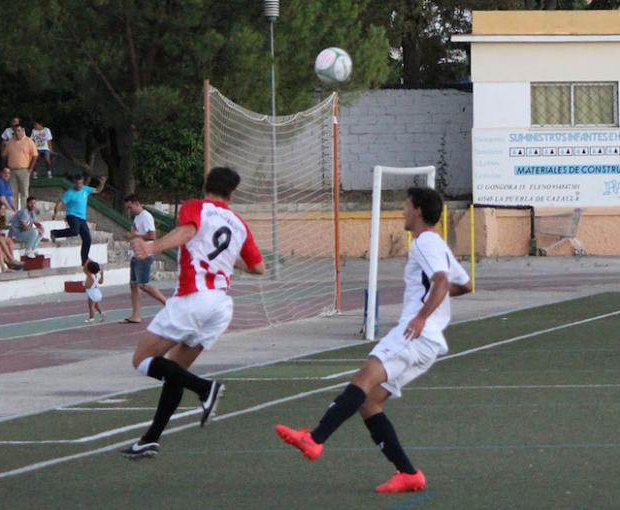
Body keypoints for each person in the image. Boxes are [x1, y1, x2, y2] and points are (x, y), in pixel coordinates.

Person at [275, 187, 472, 494]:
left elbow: (444, 282)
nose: (403, 211)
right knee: (369, 401)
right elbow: (465, 284)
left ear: (418, 210)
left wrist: (421, 315)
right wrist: (433, 301)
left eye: (406, 206)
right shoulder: (438, 245)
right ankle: (408, 473)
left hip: (414, 334)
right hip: (428, 342)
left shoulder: (424, 241)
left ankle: (314, 439)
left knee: (362, 379)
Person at [121, 166, 265, 459]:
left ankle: (205, 388)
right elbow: (258, 268)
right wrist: (228, 260)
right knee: (176, 373)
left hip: (194, 297)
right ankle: (151, 438)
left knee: (142, 359)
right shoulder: (239, 224)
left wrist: (152, 247)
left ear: (206, 186)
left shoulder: (195, 207)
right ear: (232, 194)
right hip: (220, 306)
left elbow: (188, 231)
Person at [121, 194, 167, 324]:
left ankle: (168, 304)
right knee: (134, 284)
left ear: (137, 203)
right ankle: (135, 315)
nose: (129, 210)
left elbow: (152, 235)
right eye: (127, 208)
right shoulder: (137, 217)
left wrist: (135, 236)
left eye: (130, 207)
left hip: (144, 254)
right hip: (137, 254)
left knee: (143, 285)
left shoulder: (146, 216)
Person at [50, 174, 106, 265]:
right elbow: (60, 203)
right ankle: (55, 233)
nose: (79, 186)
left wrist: (102, 183)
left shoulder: (85, 189)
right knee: (75, 231)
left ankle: (84, 261)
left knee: (87, 239)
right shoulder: (69, 193)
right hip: (72, 215)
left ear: (82, 183)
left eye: (80, 183)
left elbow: (98, 190)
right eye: (77, 184)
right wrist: (55, 213)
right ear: (74, 183)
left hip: (82, 218)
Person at [2, 125, 37, 209]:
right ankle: (14, 211)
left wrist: (30, 168)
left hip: (24, 170)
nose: (17, 133)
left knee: (24, 192)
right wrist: (6, 167)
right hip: (12, 170)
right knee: (13, 192)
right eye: (15, 131)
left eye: (18, 131)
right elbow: (4, 155)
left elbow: (35, 156)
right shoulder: (10, 142)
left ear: (23, 130)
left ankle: (24, 211)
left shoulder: (29, 141)